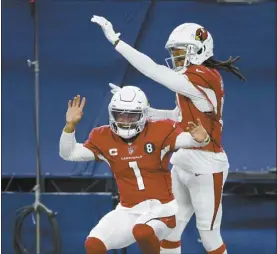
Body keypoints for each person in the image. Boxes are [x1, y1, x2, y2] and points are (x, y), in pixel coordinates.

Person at [91, 16, 246, 254]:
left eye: (181, 51)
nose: (176, 56)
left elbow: (153, 70)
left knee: (209, 234)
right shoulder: (193, 79)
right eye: (175, 51)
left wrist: (116, 42)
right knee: (170, 230)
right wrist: (143, 111)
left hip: (206, 163)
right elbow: (179, 117)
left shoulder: (203, 76)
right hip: (183, 159)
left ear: (199, 50)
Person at [59, 86, 210, 254]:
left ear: (143, 114)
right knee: (93, 244)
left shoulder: (160, 130)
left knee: (142, 231)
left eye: (131, 115)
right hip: (128, 210)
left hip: (161, 209)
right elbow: (69, 153)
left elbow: (191, 140)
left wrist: (201, 140)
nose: (125, 120)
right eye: (120, 114)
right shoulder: (103, 136)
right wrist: (69, 126)